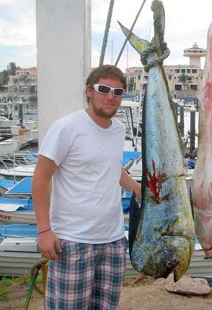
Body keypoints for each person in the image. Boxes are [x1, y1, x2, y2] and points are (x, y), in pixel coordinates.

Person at [32, 64, 141, 309]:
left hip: (113, 241)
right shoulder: (66, 128)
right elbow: (40, 178)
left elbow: (113, 167)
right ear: (89, 91)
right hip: (72, 240)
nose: (111, 96)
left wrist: (137, 188)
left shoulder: (119, 129)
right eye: (104, 89)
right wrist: (44, 231)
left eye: (118, 91)